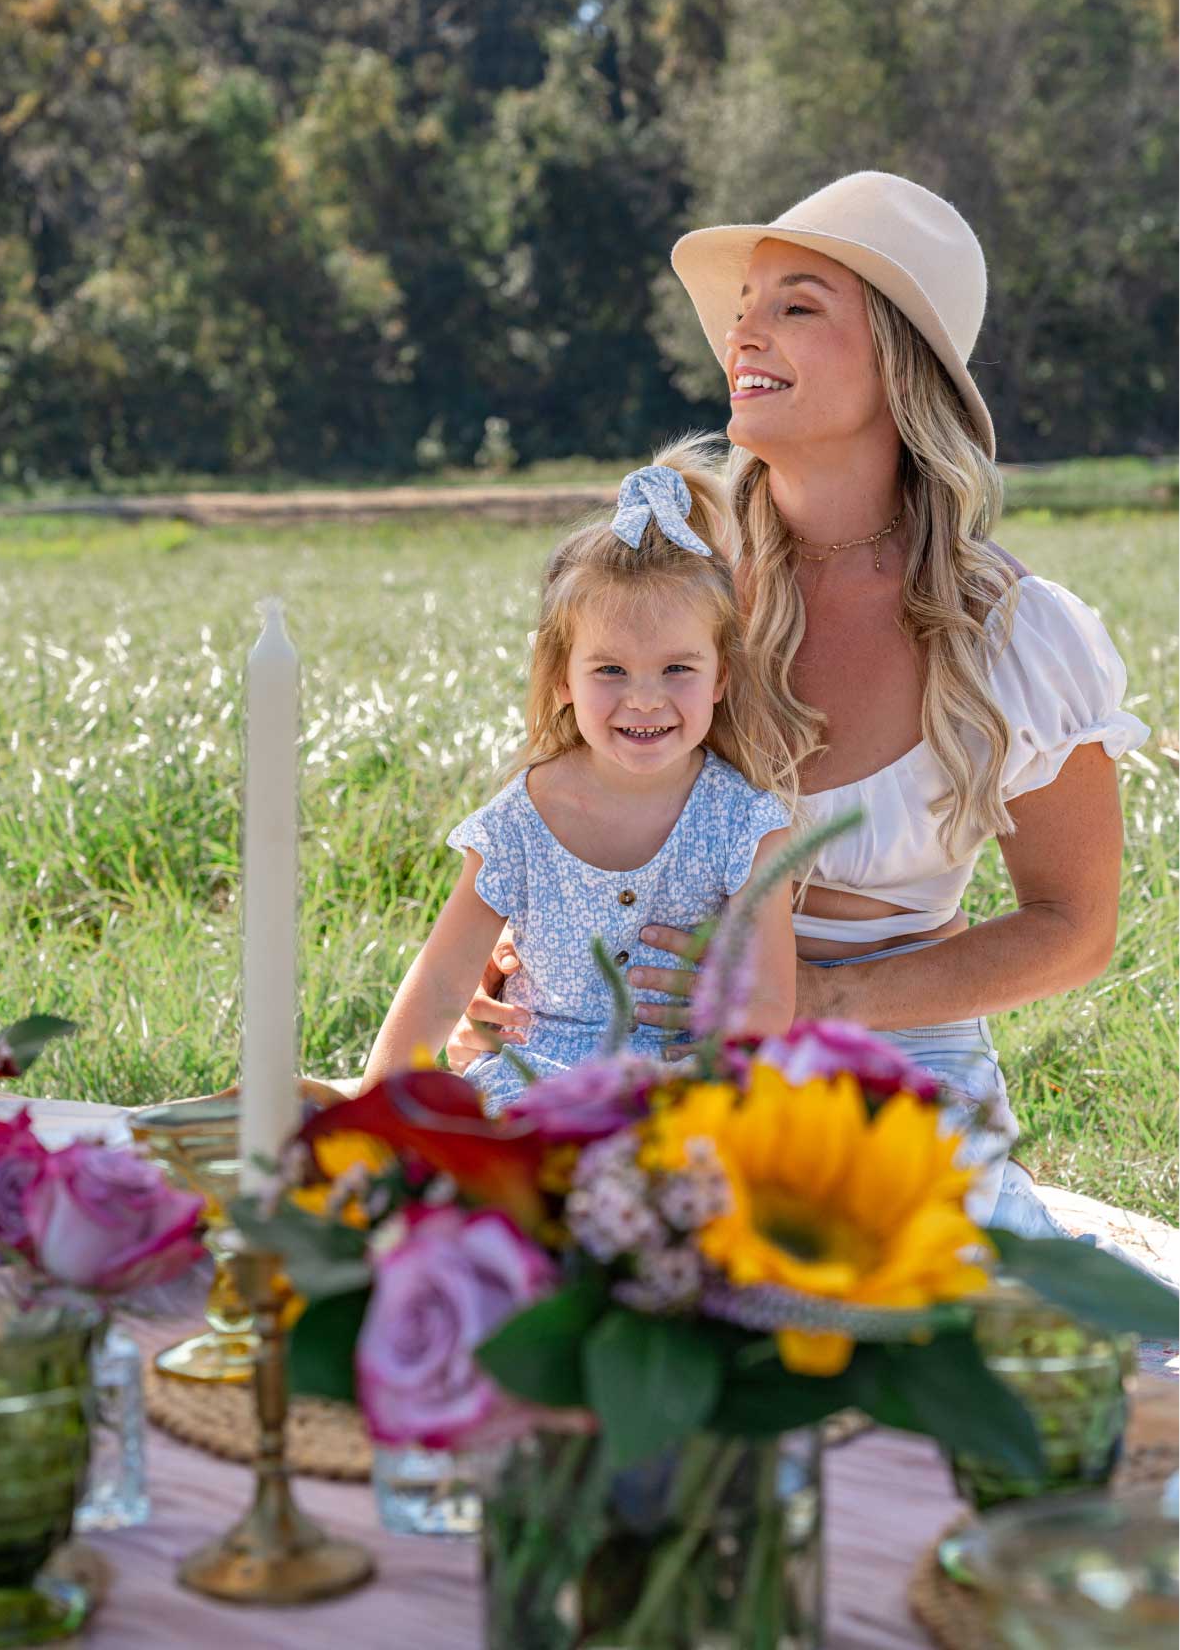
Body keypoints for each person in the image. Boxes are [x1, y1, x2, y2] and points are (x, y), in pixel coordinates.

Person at [446, 170, 1148, 1231]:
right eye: (744, 309)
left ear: (898, 366)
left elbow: (1074, 929)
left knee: (840, 1288)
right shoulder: (673, 583)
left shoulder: (1011, 633)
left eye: (796, 307)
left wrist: (816, 1001)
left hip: (886, 1060)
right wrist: (523, 958)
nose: (744, 335)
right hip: (643, 1040)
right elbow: (564, 813)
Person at [360, 439, 797, 1112]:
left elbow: (767, 1004)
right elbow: (441, 983)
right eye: (610, 670)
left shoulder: (745, 824)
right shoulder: (520, 820)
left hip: (677, 1086)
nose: (644, 699)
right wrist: (372, 1111)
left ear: (721, 677)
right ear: (562, 677)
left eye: (677, 669)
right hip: (533, 1081)